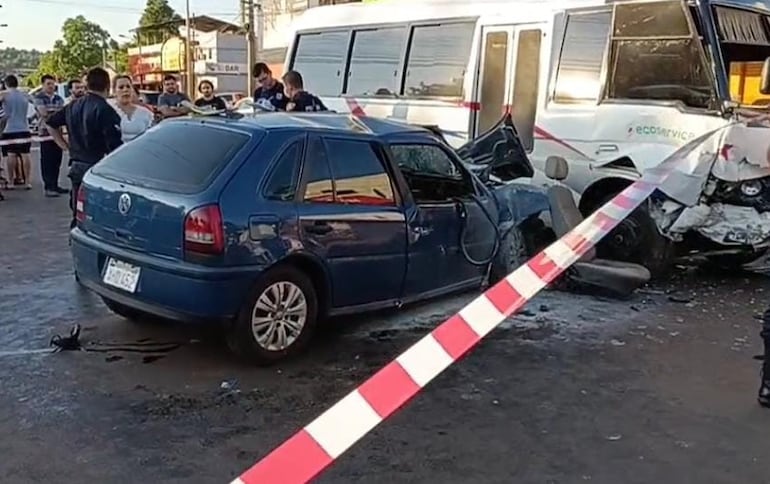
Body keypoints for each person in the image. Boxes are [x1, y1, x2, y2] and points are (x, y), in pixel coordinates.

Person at [45, 67, 122, 229]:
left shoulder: (74, 105)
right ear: (108, 87)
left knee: (78, 211)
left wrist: (64, 146)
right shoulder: (105, 110)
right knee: (98, 214)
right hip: (98, 166)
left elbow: (51, 123)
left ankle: (77, 240)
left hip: (77, 164)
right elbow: (115, 148)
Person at [34, 74, 67, 197]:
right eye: (48, 84)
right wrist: (54, 113)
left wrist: (52, 113)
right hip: (45, 133)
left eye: (53, 84)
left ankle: (55, 184)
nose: (51, 86)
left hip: (57, 133)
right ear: (43, 85)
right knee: (47, 160)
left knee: (57, 160)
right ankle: (48, 186)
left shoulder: (59, 98)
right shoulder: (39, 98)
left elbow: (62, 113)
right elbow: (43, 113)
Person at [0, 75, 33, 190]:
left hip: (9, 128)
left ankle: (10, 181)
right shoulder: (24, 94)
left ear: (6, 84)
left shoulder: (4, 94)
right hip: (24, 127)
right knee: (26, 154)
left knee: (11, 155)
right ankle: (28, 181)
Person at [110, 75, 153, 143]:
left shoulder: (146, 113)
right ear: (114, 92)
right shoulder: (109, 111)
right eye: (121, 87)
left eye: (128, 86)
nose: (125, 90)